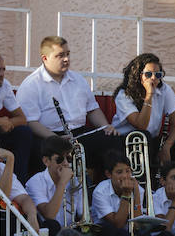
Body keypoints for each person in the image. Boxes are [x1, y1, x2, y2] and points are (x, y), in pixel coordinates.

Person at [15, 36, 118, 171]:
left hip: (79, 134)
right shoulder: (31, 85)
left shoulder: (78, 80)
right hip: (48, 136)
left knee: (112, 140)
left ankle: (113, 182)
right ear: (45, 58)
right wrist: (55, 138)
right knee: (46, 151)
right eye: (60, 55)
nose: (66, 59)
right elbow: (31, 122)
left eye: (68, 54)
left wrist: (105, 126)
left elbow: (92, 110)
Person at [111, 53, 175, 163]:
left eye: (158, 75)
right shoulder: (123, 94)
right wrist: (149, 94)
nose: (153, 78)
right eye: (148, 74)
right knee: (142, 136)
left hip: (151, 139)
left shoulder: (164, 89)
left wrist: (167, 146)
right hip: (125, 140)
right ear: (138, 75)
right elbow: (141, 125)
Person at [24, 136, 81, 236]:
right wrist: (62, 182)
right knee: (52, 225)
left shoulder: (75, 181)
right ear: (46, 161)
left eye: (68, 159)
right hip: (48, 235)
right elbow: (49, 215)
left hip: (71, 232)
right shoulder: (35, 182)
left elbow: (82, 214)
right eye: (59, 159)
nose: (66, 163)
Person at [0, 49, 32, 182]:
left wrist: (6, 124)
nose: (1, 74)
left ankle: (19, 183)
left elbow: (22, 119)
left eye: (3, 69)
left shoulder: (4, 86)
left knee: (23, 133)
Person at [0, 125, 39, 229]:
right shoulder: (6, 165)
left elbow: (24, 198)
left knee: (49, 224)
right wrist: (10, 159)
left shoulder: (1, 167)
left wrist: (32, 216)